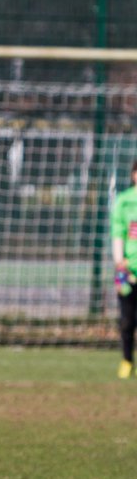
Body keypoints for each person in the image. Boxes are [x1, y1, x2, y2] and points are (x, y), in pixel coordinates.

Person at [112, 159, 137, 379]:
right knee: (127, 319)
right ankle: (127, 361)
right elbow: (117, 234)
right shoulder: (124, 202)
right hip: (125, 271)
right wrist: (121, 263)